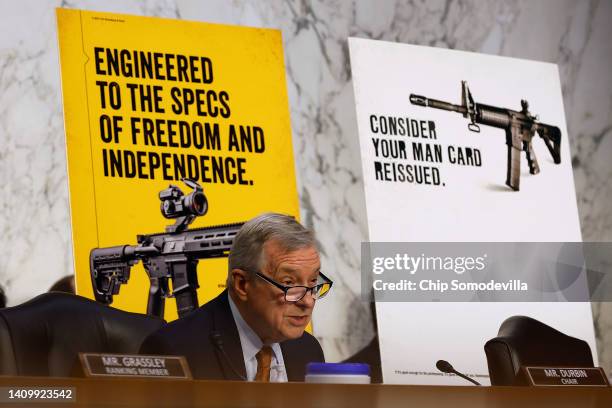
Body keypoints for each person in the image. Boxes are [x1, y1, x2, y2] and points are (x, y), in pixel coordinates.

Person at [140, 213, 332, 381]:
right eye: (289, 283)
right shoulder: (175, 350)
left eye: (313, 282)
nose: (308, 301)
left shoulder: (308, 350)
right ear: (242, 284)